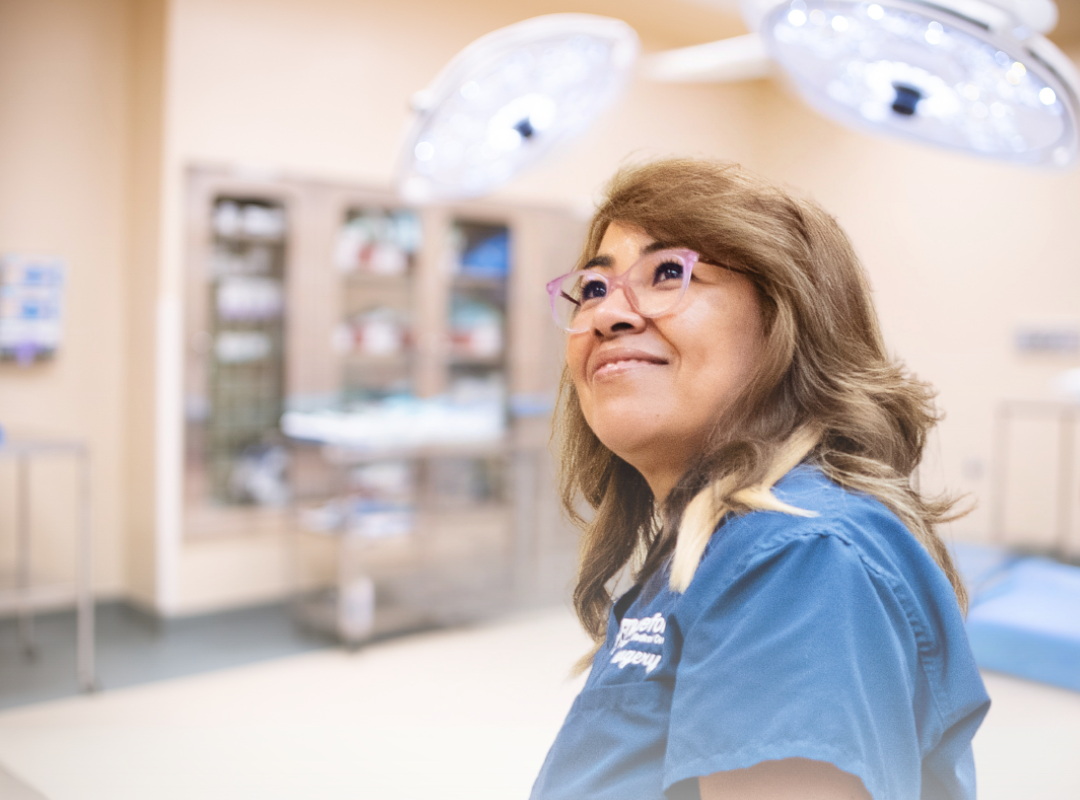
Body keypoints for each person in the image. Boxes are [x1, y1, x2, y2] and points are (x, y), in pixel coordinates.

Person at [531, 158, 990, 800]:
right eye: (595, 288)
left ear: (788, 318)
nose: (609, 315)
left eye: (668, 273)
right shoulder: (716, 549)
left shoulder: (796, 562)